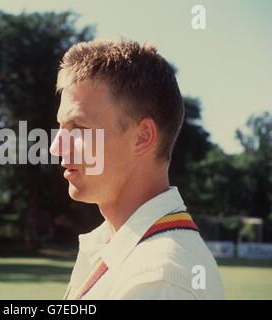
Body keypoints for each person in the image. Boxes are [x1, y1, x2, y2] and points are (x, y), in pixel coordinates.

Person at [49, 39, 224, 299]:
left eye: (79, 128)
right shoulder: (116, 247)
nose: (56, 147)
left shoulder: (159, 280)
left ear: (142, 137)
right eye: (61, 127)